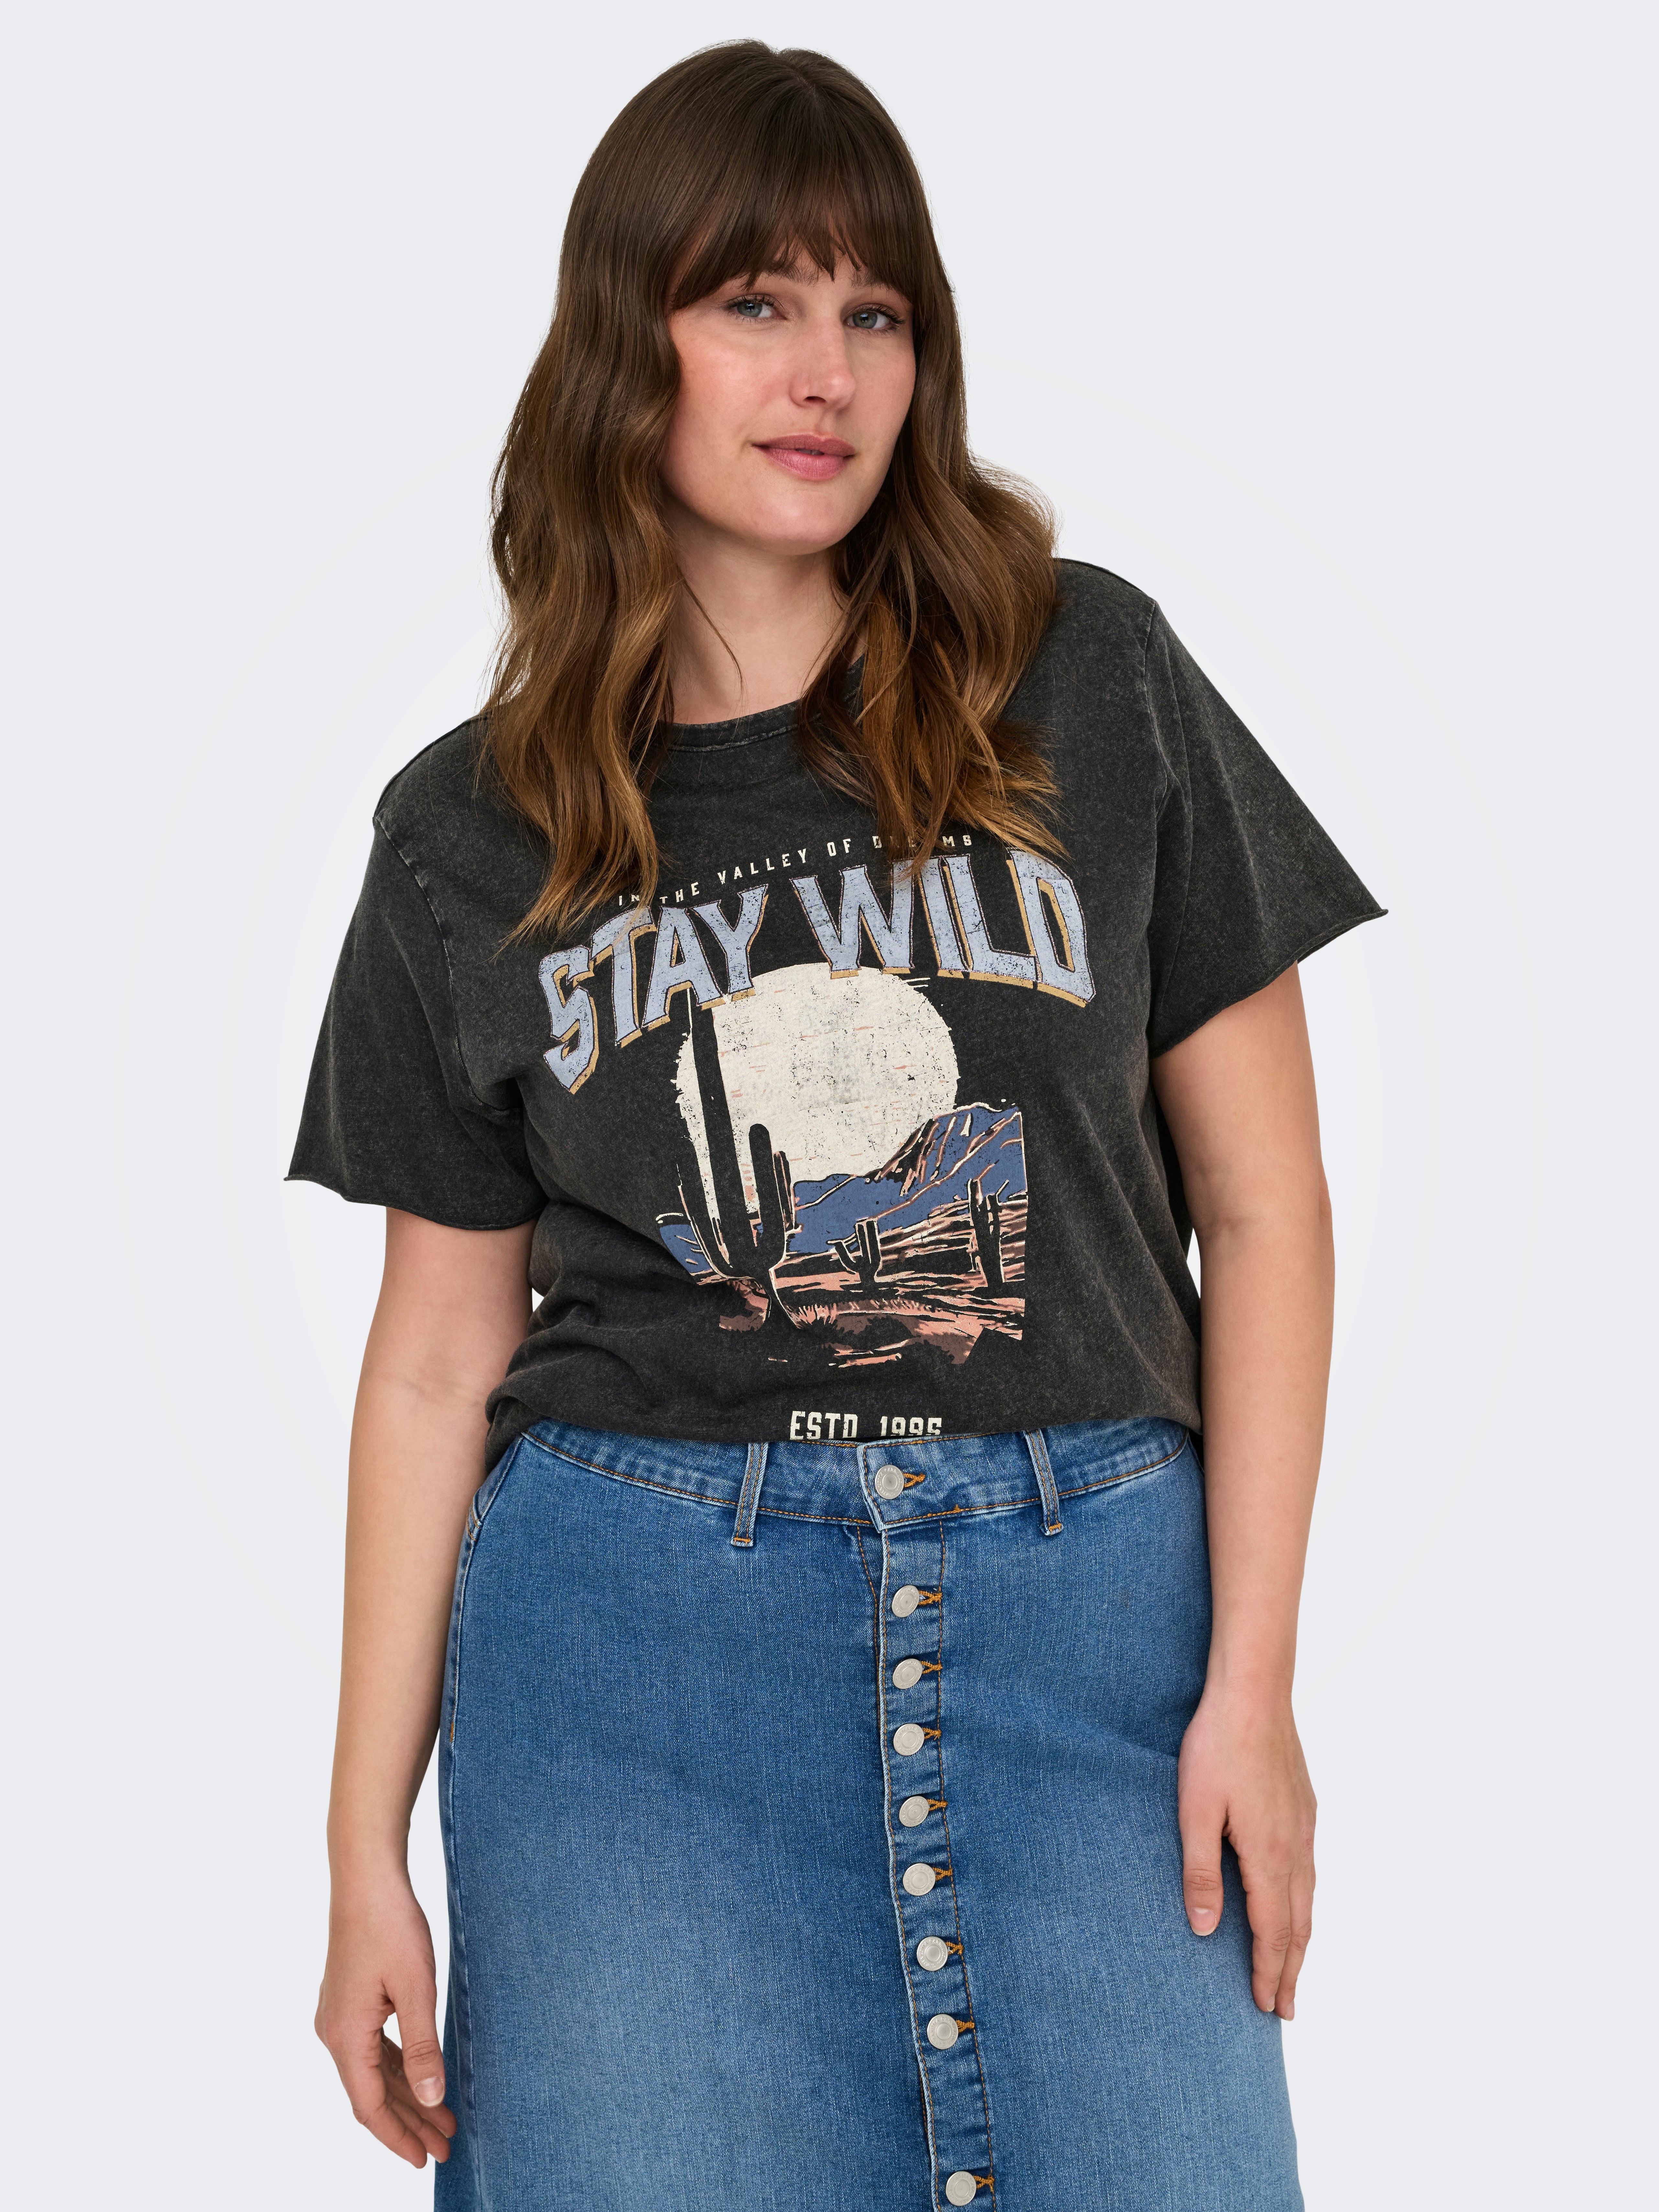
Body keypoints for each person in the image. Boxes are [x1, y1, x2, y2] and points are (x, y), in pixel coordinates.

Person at [293, 40, 1382, 2212]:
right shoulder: (467, 829)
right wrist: (359, 1852)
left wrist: (1250, 1684)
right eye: (754, 302)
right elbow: (432, 1357)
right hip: (636, 1669)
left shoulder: (1089, 677)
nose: (826, 372)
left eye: (875, 311)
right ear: (627, 347)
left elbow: (1263, 1210)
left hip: (1094, 1627)